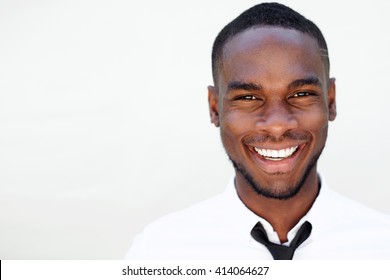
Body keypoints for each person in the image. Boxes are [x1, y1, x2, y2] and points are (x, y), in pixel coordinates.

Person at [125, 2, 390, 259]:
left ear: (330, 101)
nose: (277, 125)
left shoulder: (382, 247)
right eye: (248, 98)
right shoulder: (160, 253)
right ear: (215, 108)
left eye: (301, 94)